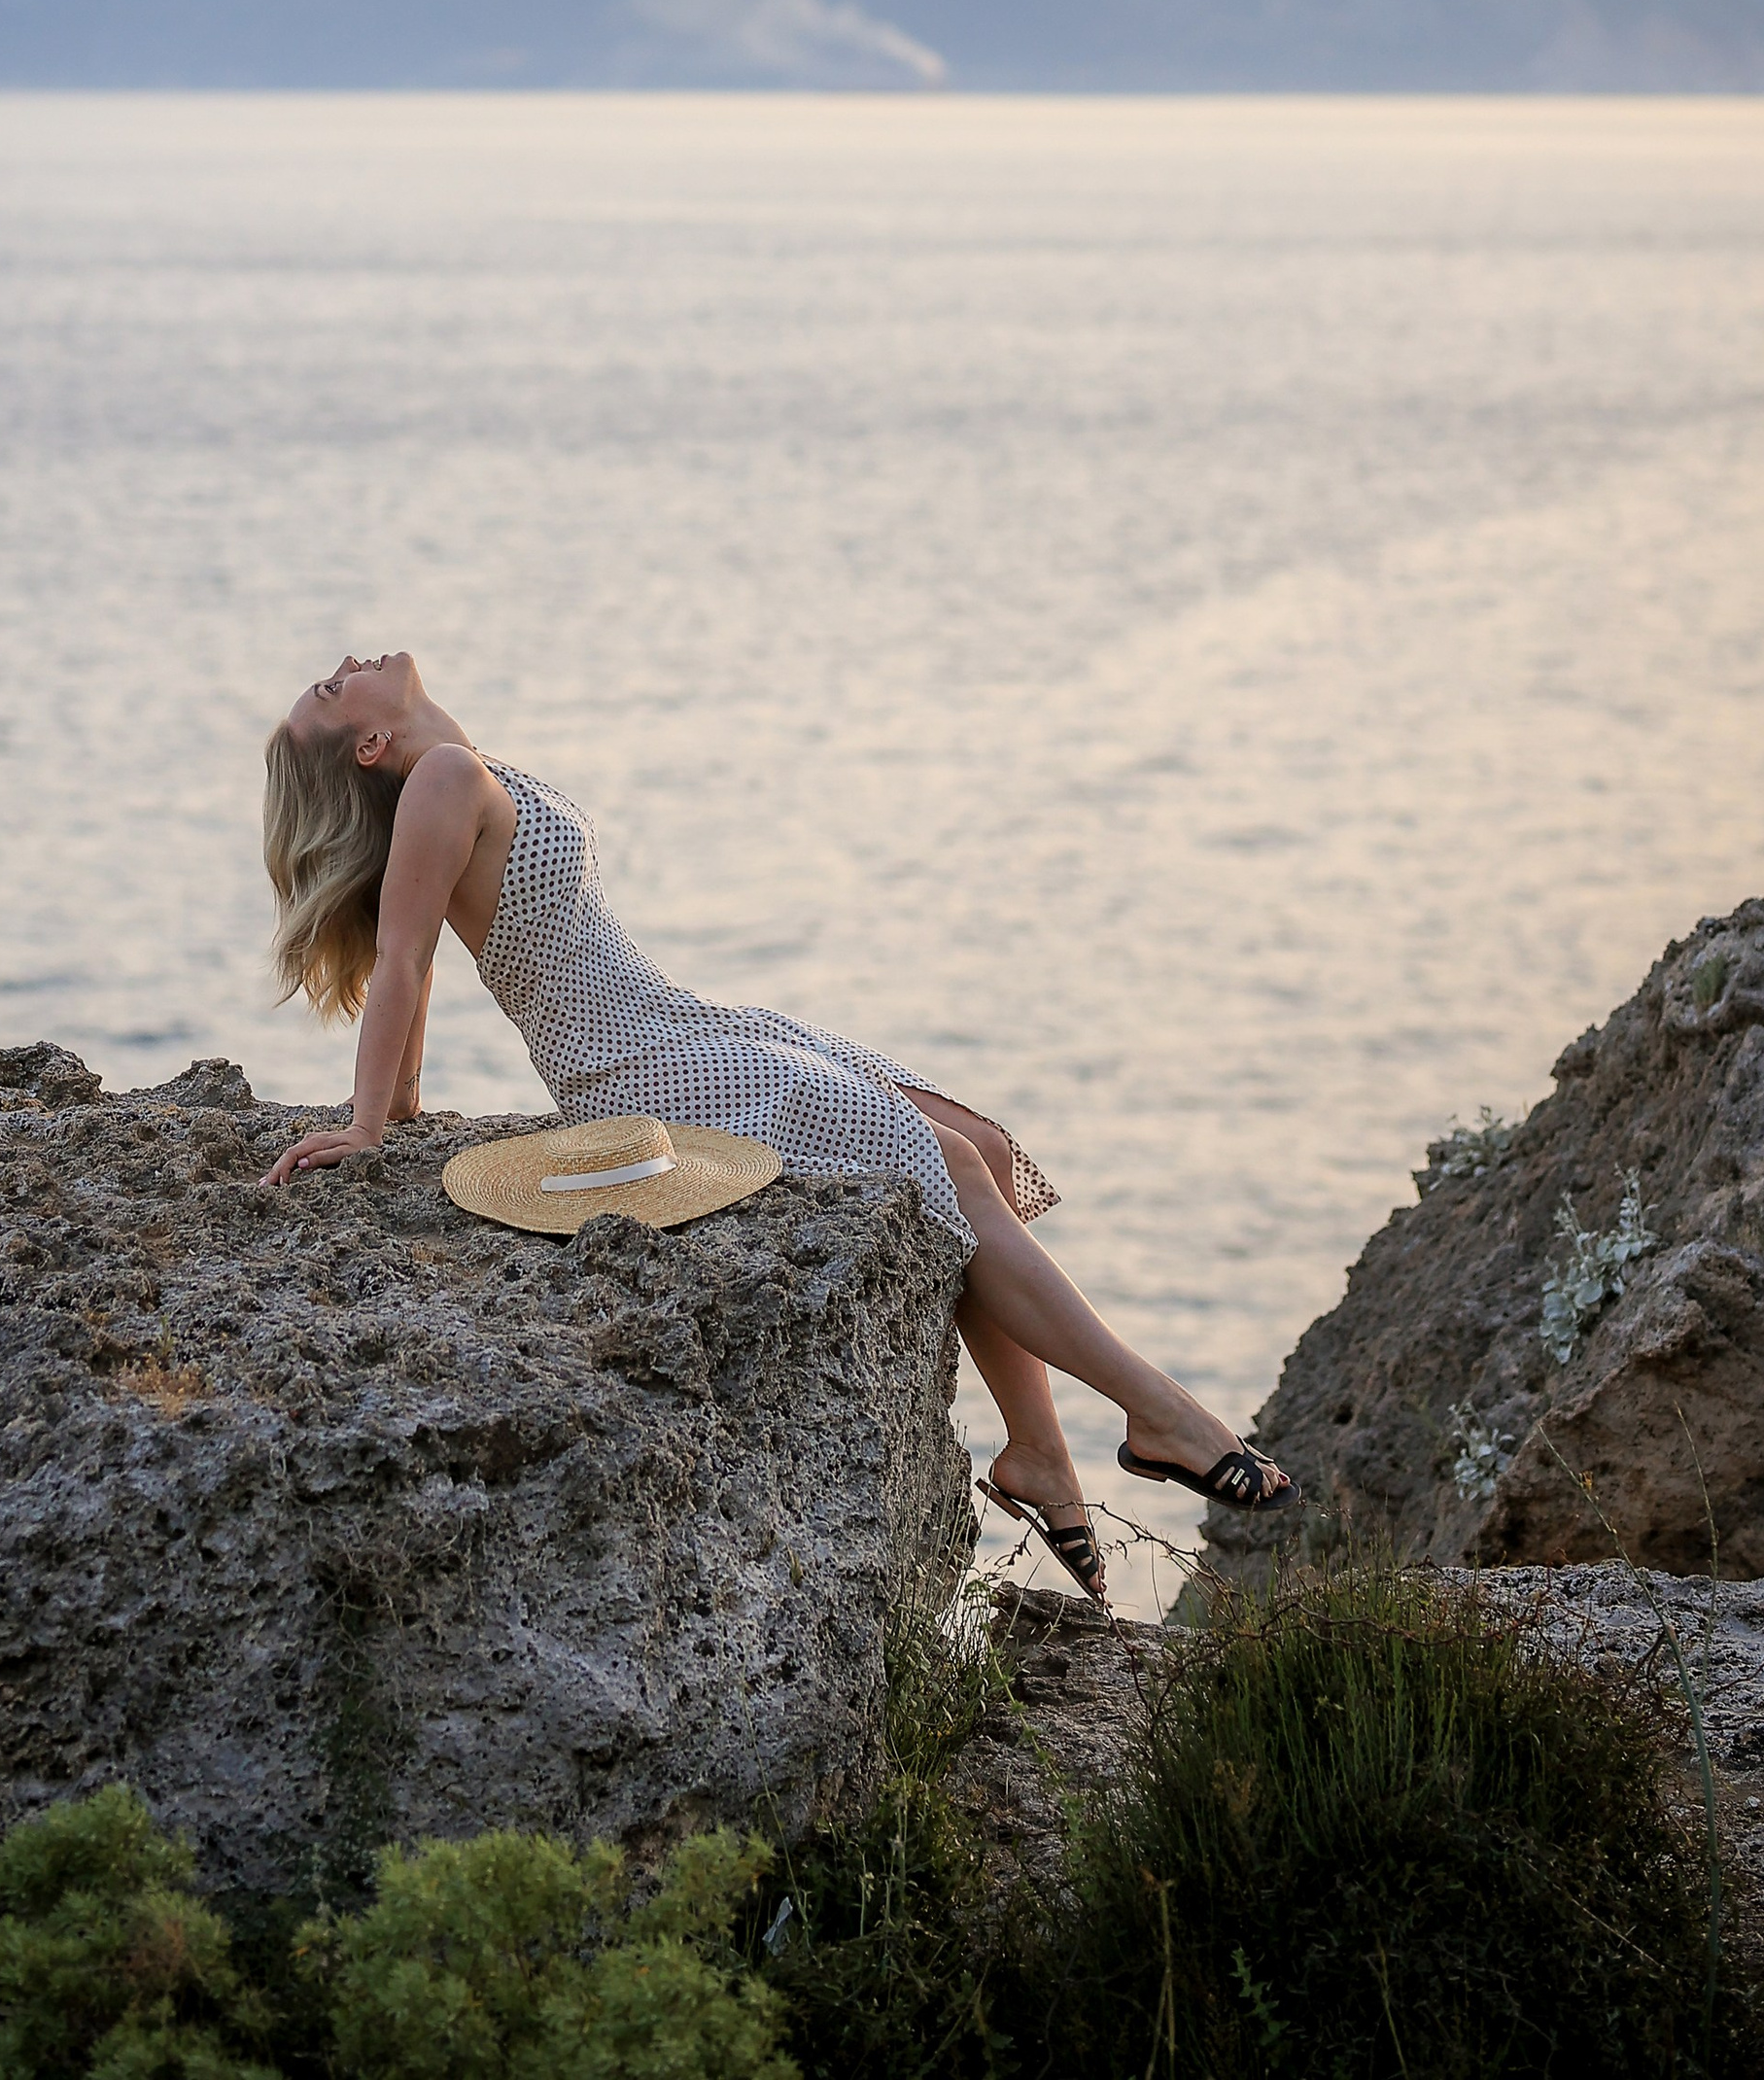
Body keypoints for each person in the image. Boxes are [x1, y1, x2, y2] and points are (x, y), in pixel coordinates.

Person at [260, 650, 1295, 1602]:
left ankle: (1039, 1457)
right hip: (643, 1071)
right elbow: (403, 959)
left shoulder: (458, 768)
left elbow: (416, 951)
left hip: (682, 1024)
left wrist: (400, 1103)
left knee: (970, 1147)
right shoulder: (442, 778)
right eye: (329, 688)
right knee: (935, 1163)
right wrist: (370, 1124)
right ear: (369, 743)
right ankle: (1159, 1412)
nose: (345, 664)